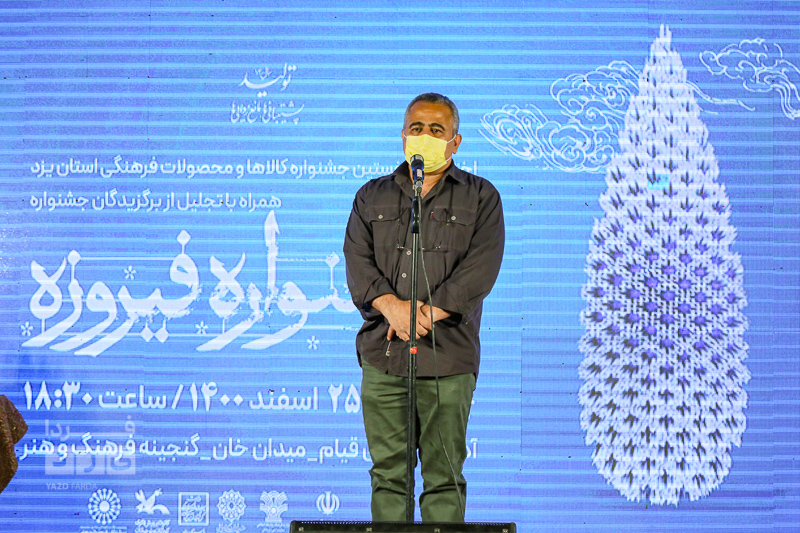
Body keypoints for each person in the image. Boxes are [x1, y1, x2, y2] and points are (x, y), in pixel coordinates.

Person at [343, 93, 505, 522]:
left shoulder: (481, 197)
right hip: (384, 356)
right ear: (403, 136)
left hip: (448, 358)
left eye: (437, 130)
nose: (425, 136)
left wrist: (424, 316)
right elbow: (357, 261)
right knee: (388, 477)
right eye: (417, 128)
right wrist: (391, 308)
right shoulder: (371, 196)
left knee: (444, 478)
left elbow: (480, 269)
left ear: (455, 142)